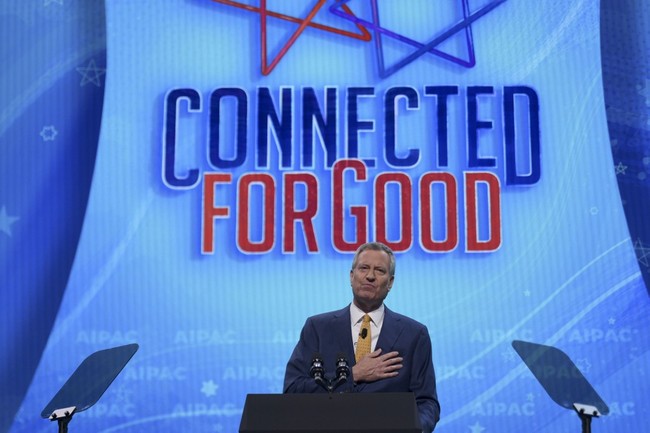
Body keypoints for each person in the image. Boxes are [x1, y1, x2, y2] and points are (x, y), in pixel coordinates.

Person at [283, 242, 440, 433]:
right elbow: (293, 390)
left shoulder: (414, 334)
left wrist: (414, 429)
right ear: (351, 276)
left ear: (390, 282)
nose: (370, 276)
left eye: (379, 270)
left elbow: (427, 402)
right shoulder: (318, 328)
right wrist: (354, 374)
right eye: (363, 268)